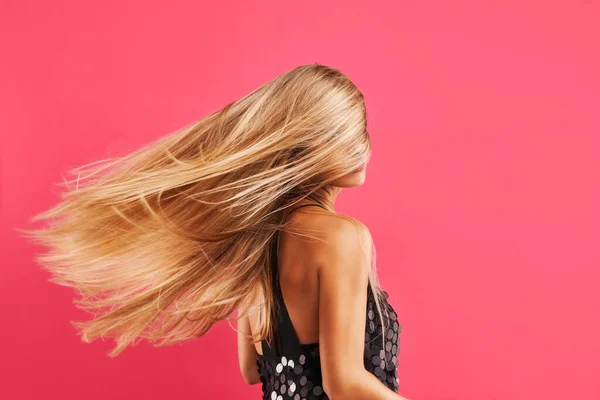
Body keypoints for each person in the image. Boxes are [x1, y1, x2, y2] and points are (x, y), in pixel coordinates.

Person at [19, 63, 407, 399]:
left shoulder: (255, 240)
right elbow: (344, 385)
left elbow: (252, 369)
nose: (362, 147)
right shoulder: (342, 237)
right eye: (344, 133)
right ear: (303, 143)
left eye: (362, 131)